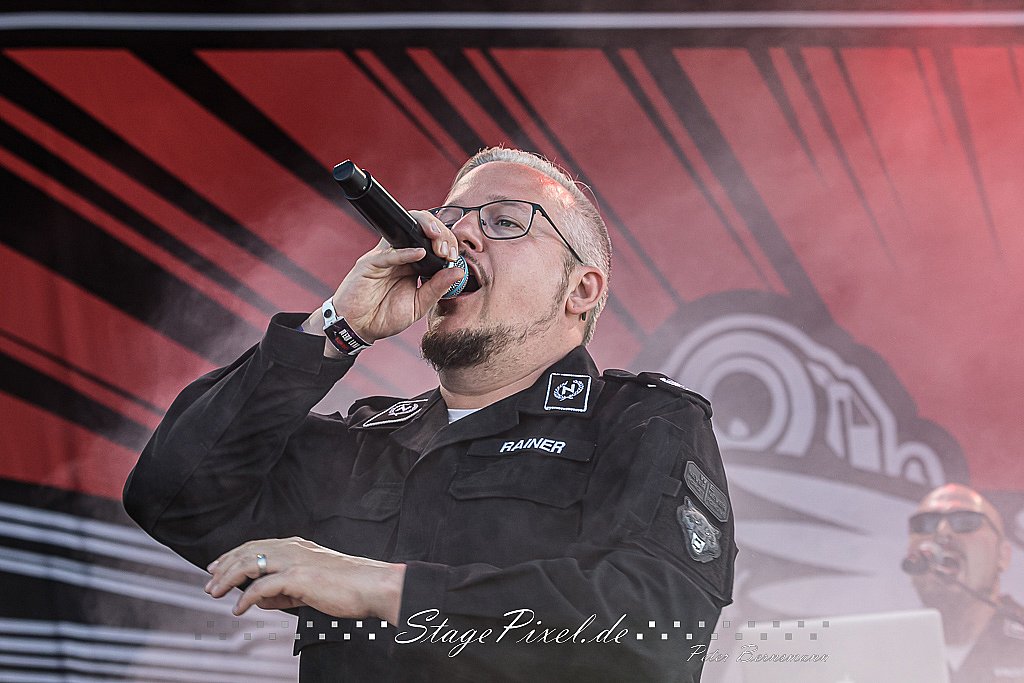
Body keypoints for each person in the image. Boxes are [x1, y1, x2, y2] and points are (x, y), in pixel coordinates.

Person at [123, 147, 737, 682]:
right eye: (451, 218)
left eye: (504, 221)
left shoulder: (641, 422)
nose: (459, 235)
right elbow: (174, 497)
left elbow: (659, 630)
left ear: (580, 289)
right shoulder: (366, 440)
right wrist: (336, 328)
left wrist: (384, 588)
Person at [906, 483, 1024, 681]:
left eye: (966, 521)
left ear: (1003, 555)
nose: (942, 532)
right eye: (925, 523)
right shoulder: (883, 649)